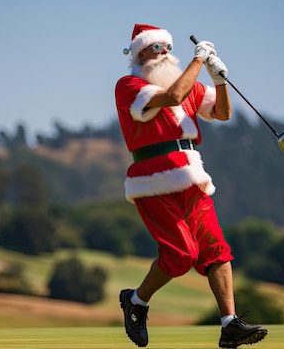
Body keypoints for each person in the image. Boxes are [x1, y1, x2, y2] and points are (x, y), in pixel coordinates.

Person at [114, 24, 268, 348]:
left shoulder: (189, 87)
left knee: (216, 250)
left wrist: (218, 79)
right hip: (152, 181)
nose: (164, 54)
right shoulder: (129, 85)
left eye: (167, 47)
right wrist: (198, 60)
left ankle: (229, 324)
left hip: (192, 177)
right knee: (181, 254)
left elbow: (222, 113)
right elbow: (172, 96)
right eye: (156, 48)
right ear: (139, 54)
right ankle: (137, 301)